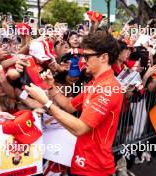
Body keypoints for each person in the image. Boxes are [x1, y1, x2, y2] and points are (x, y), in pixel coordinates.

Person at [25, 31, 124, 175]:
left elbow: (81, 128)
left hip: (95, 167)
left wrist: (46, 102)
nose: (82, 61)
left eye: (87, 56)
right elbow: (69, 106)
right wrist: (51, 87)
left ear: (104, 57)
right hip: (82, 160)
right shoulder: (95, 83)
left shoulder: (108, 88)